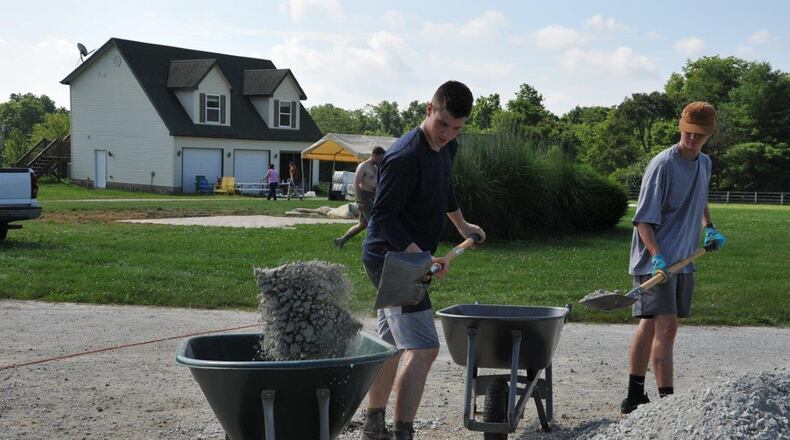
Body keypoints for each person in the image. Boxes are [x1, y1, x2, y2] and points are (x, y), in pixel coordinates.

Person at [359, 81, 486, 440]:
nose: (447, 134)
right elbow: (382, 217)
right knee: (424, 347)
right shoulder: (403, 157)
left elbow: (445, 187)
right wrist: (420, 257)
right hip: (392, 259)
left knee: (392, 347)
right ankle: (402, 432)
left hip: (405, 256)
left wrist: (463, 225)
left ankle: (373, 426)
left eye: (457, 128)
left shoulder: (447, 147)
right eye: (443, 124)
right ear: (429, 109)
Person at [621, 101, 727, 414]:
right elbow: (643, 219)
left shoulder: (704, 163)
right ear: (680, 127)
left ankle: (634, 396)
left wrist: (709, 228)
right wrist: (656, 256)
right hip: (656, 259)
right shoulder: (662, 166)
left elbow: (700, 198)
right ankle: (667, 403)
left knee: (651, 324)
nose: (692, 139)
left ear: (709, 135)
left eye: (700, 135)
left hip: (683, 257)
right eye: (688, 133)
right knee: (666, 328)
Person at [333, 146, 386, 248]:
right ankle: (371, 246)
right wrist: (359, 201)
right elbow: (356, 184)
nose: (381, 160)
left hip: (372, 196)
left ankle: (341, 240)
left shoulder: (375, 167)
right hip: (364, 197)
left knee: (363, 225)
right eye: (380, 158)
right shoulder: (363, 166)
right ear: (374, 155)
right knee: (374, 223)